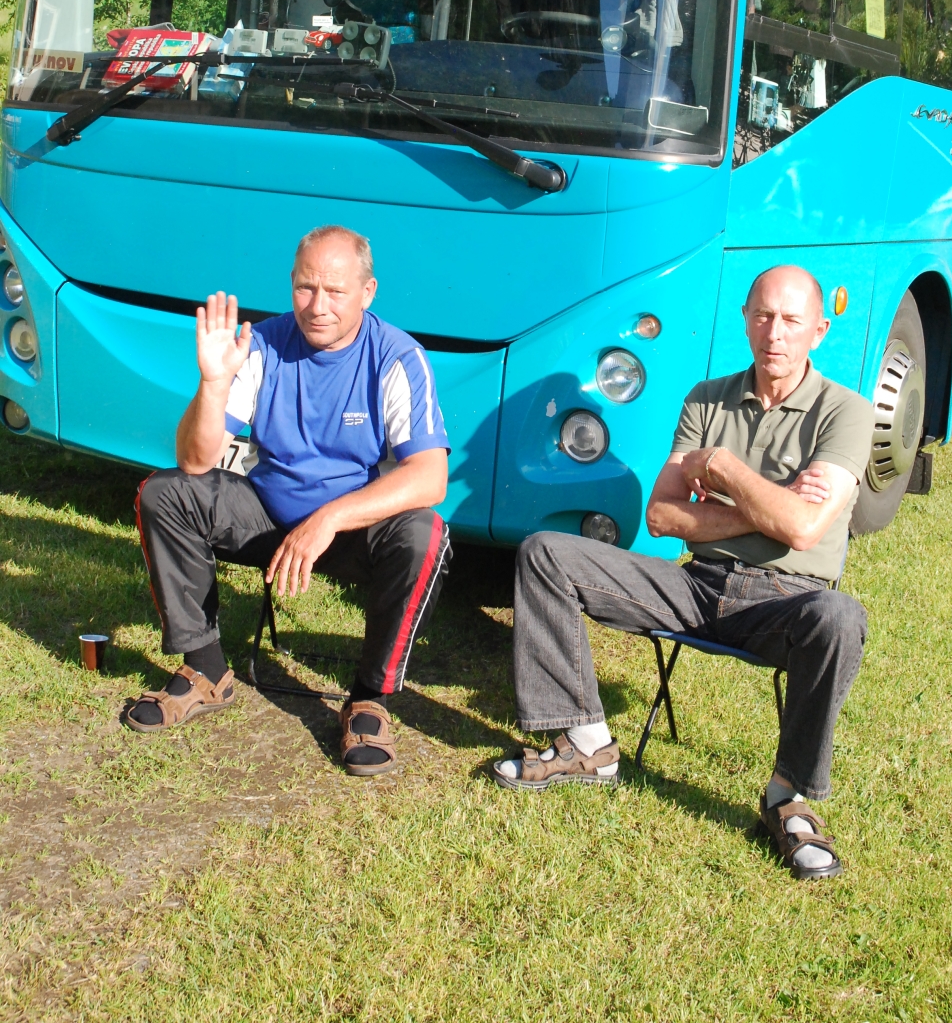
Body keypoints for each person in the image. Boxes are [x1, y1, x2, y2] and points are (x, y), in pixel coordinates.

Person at [493, 265, 873, 880]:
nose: (775, 333)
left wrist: (721, 470)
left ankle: (789, 799)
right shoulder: (707, 398)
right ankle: (588, 744)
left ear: (819, 330)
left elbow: (804, 531)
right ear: (746, 319)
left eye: (792, 320)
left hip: (785, 600)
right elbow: (664, 515)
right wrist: (771, 505)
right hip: (696, 585)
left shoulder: (846, 412)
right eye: (763, 316)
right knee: (545, 552)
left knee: (841, 617)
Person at [127, 224, 451, 777]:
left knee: (426, 533)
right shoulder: (263, 344)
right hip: (267, 517)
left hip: (349, 532)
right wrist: (213, 384)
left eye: (335, 291)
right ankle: (205, 670)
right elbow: (195, 461)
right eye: (305, 287)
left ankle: (369, 699)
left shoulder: (397, 356)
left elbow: (429, 477)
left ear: (367, 292)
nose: (317, 306)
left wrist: (329, 518)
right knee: (166, 493)